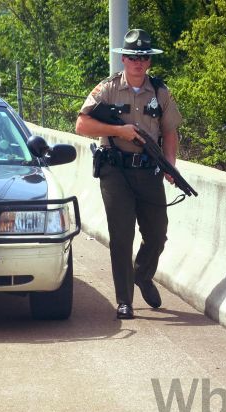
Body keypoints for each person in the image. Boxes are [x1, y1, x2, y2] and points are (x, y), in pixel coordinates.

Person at [75, 29, 183, 319]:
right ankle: (125, 300)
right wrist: (117, 131)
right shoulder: (107, 89)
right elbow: (82, 124)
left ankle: (143, 275)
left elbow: (170, 131)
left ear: (149, 61)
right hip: (115, 171)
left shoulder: (160, 92)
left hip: (148, 171)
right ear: (123, 58)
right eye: (133, 57)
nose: (138, 62)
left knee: (157, 234)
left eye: (143, 57)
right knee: (121, 236)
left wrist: (170, 165)